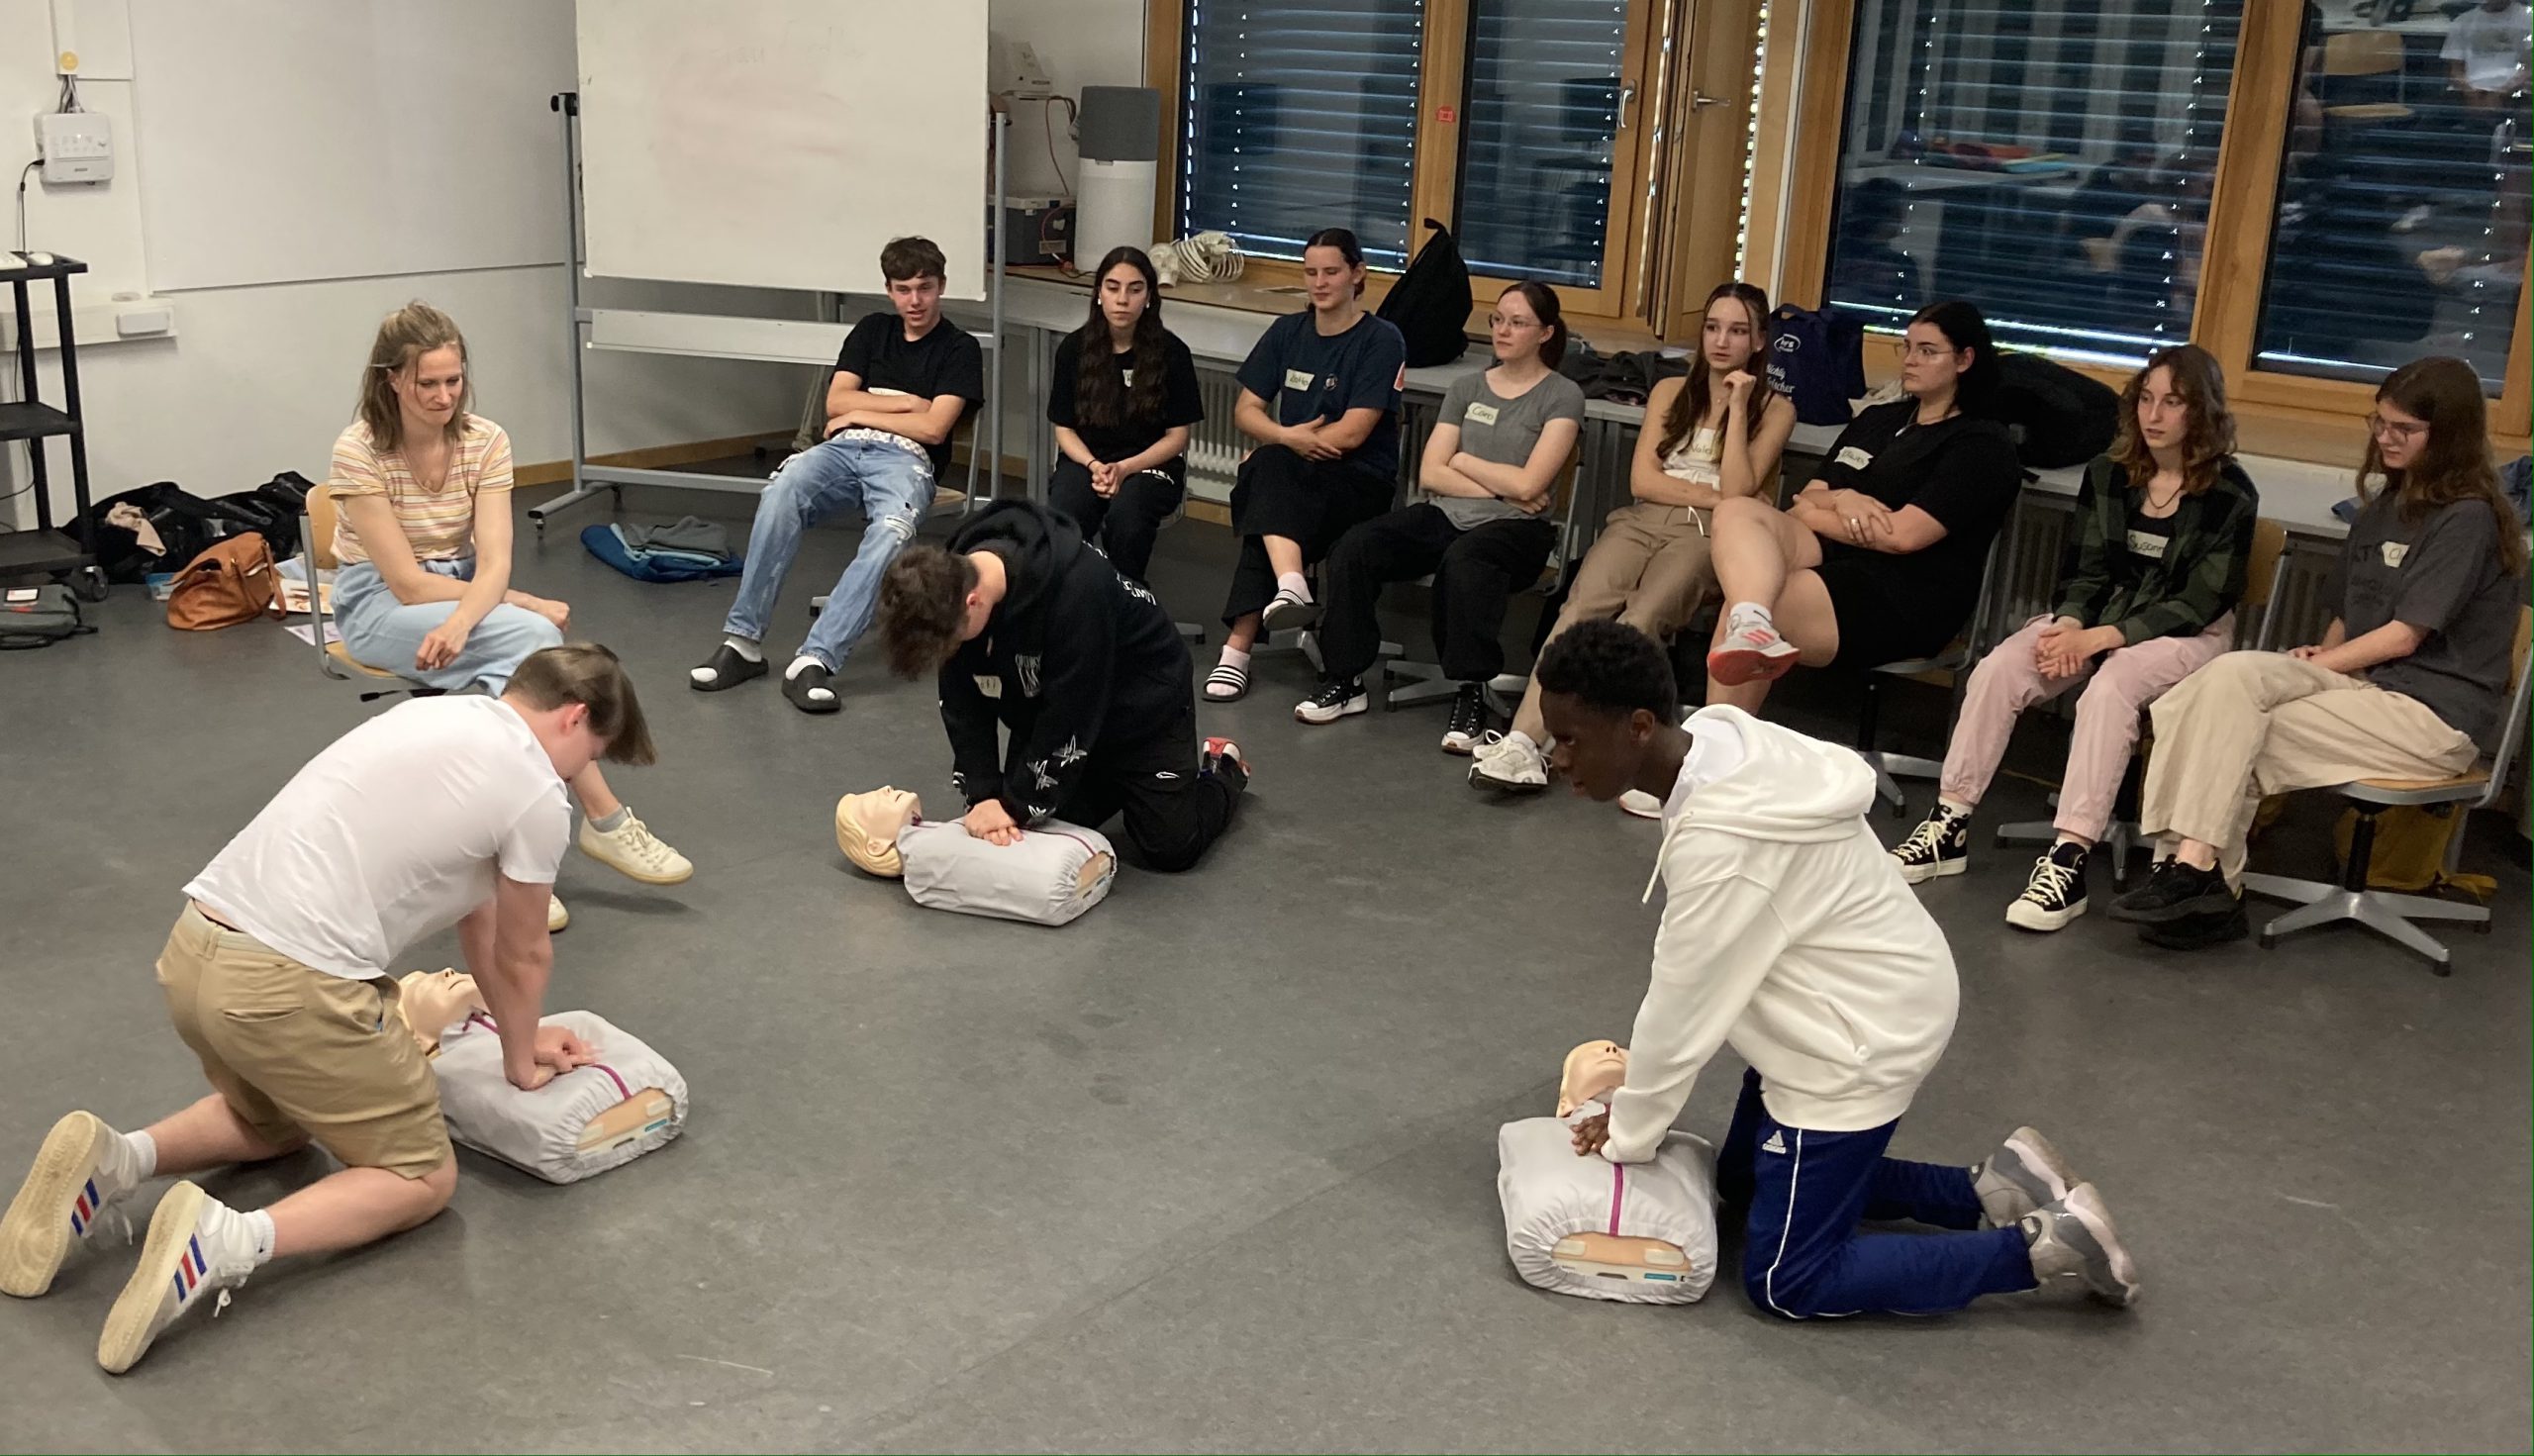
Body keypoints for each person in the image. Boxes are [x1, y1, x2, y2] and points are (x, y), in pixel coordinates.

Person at [0, 644, 652, 1373]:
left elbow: (483, 924)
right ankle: (221, 1242)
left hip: (195, 953)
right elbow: (525, 953)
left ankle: (119, 1157)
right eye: (590, 757)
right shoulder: (535, 790)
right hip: (288, 988)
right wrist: (521, 1066)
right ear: (573, 718)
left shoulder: (437, 716)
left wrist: (517, 1038)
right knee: (420, 1177)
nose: (576, 778)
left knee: (276, 1122)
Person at [1536, 619, 2141, 1317]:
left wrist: (1630, 1131)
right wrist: (1637, 1107)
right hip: (1865, 988)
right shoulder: (1720, 743)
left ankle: (2046, 1248)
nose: (1558, 757)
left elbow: (1681, 1009)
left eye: (1571, 739)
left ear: (1640, 726)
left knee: (1788, 1278)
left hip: (1856, 1040)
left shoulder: (1726, 844)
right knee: (1744, 1180)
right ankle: (1991, 1187)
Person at [2111, 355, 2527, 948]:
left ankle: (2196, 878)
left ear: (2450, 436)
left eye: (2404, 429)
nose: (2385, 438)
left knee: (2231, 714)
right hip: (2368, 691)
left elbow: (2405, 636)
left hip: (2432, 717)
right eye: (2379, 422)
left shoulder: (2467, 519)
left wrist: (2313, 669)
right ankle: (2197, 879)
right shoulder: (2384, 508)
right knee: (2220, 696)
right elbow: (2348, 616)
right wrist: (2316, 664)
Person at [328, 303, 690, 926]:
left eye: (454, 380)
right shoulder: (358, 451)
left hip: (467, 594)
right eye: (428, 383)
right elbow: (408, 585)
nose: (445, 396)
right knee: (536, 644)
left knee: (524, 672)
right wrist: (512, 602)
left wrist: (466, 618)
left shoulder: (485, 440)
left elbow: (495, 561)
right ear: (392, 380)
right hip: (376, 603)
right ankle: (598, 821)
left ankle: (512, 860)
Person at [1892, 344, 2261, 933]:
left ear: (2203, 412)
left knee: (2110, 688)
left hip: (2186, 632)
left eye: (2172, 402)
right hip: (2099, 618)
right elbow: (2085, 571)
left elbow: (2198, 602)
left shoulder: (2230, 493)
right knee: (2000, 667)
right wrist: (2067, 623)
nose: (2154, 415)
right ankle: (1950, 821)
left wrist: (2101, 639)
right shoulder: (2109, 473)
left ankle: (2069, 857)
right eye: (2146, 399)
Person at [1472, 281, 1797, 797]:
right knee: (1580, 611)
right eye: (1712, 328)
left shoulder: (1775, 409)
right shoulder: (1670, 392)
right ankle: (1524, 742)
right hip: (1643, 519)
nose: (1721, 341)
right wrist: (1714, 492)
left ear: (1759, 341)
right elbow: (1643, 481)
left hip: (1708, 534)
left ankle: (1605, 749)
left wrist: (1738, 407)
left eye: (1737, 331)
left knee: (1642, 621)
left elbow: (1738, 490)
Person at [691, 236, 986, 713]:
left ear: (942, 287)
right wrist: (907, 404)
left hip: (907, 459)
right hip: (842, 450)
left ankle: (816, 659)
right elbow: (836, 402)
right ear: (889, 290)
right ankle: (743, 643)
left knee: (893, 531)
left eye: (925, 288)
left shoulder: (960, 348)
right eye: (903, 289)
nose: (914, 301)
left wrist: (863, 410)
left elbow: (934, 428)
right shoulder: (872, 330)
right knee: (781, 491)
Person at [876, 501, 1249, 873]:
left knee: (1170, 847)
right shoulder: (949, 585)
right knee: (1032, 831)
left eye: (955, 642)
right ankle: (1114, 786)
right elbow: (962, 701)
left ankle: (1222, 769)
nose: (953, 651)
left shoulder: (1078, 588)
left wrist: (1015, 803)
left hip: (1143, 707)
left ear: (973, 602)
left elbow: (1072, 711)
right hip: (1046, 703)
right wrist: (984, 794)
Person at [1298, 281, 1587, 749]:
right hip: (1447, 513)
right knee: (1354, 547)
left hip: (1518, 528)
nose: (1503, 330)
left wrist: (1464, 461)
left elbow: (1532, 487)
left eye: (1518, 323)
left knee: (1467, 560)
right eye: (1498, 320)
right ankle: (1345, 678)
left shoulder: (1562, 395)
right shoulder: (1467, 387)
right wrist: (1499, 483)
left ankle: (1472, 688)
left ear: (1546, 333)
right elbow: (1432, 473)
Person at [1704, 300, 2024, 711]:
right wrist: (1844, 499)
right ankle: (1750, 633)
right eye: (1907, 347)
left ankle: (1720, 737)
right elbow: (1806, 500)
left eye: (1927, 351)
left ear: (1964, 360)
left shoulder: (1981, 444)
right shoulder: (1878, 419)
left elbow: (1903, 537)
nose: (1910, 360)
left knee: (1755, 601)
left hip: (1906, 592)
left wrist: (1821, 514)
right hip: (1835, 558)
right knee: (1734, 511)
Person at [1202, 228, 1408, 703]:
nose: (1319, 282)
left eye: (1331, 272)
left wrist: (1281, 446)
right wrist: (1285, 439)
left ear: (1357, 274)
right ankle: (1290, 585)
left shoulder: (1381, 340)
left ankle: (1237, 650)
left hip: (1358, 480)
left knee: (1265, 484)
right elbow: (1245, 411)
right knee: (1271, 485)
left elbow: (1353, 433)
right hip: (1295, 474)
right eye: (1311, 272)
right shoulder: (1287, 331)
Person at [1046, 245, 1206, 585]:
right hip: (1087, 460)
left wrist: (1125, 468)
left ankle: (1127, 598)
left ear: (1149, 297)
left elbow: (1177, 437)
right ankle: (1073, 596)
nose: (1122, 300)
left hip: (1150, 465)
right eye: (1113, 287)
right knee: (1065, 514)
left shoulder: (1173, 353)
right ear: (1098, 293)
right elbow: (1064, 429)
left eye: (1134, 289)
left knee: (1127, 518)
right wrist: (1095, 466)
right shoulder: (1073, 349)